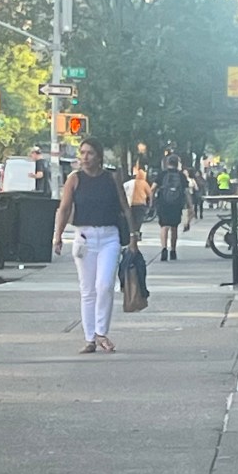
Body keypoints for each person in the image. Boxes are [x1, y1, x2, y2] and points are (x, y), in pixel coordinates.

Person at [52, 138, 139, 354]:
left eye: (89, 153)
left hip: (109, 237)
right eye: (82, 153)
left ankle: (101, 332)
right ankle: (90, 338)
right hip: (84, 237)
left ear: (99, 156)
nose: (85, 157)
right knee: (88, 290)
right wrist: (57, 236)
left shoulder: (111, 178)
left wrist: (133, 236)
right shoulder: (74, 179)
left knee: (105, 285)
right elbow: (64, 209)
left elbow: (125, 207)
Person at [152, 154, 192, 261]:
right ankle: (173, 250)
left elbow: (153, 188)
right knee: (174, 227)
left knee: (164, 226)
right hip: (176, 204)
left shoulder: (162, 174)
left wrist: (152, 200)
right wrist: (190, 205)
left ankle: (164, 249)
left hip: (163, 203)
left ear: (167, 163)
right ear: (177, 164)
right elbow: (187, 192)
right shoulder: (181, 176)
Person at [123, 166, 152, 240]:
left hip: (131, 204)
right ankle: (137, 233)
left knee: (132, 220)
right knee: (139, 220)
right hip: (141, 204)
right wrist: (150, 204)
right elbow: (150, 194)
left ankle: (132, 233)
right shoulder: (144, 183)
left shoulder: (131, 183)